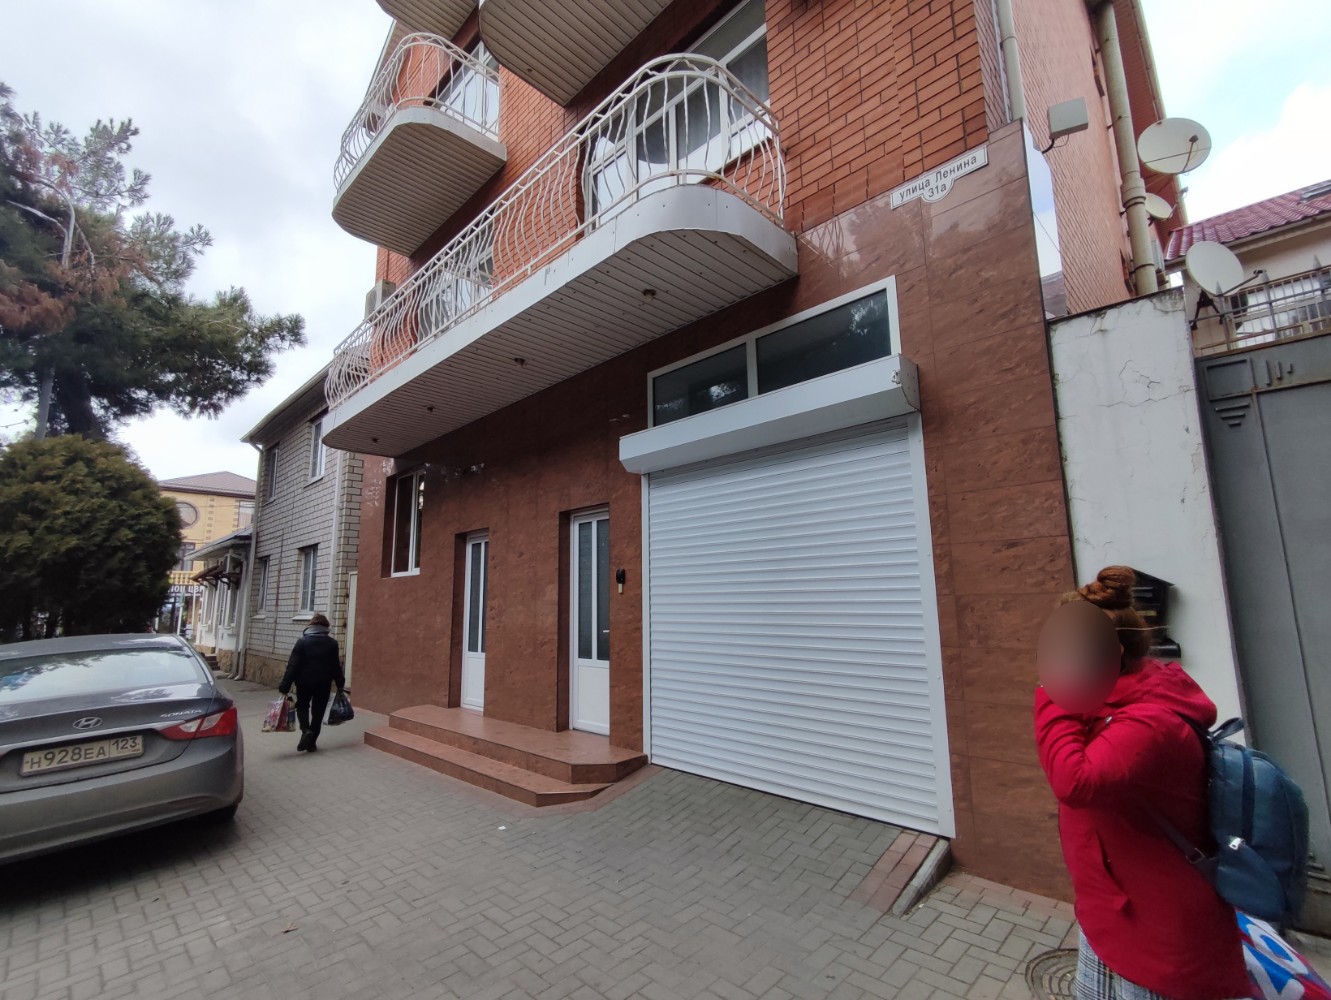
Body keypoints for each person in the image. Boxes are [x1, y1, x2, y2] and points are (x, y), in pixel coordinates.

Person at [1033, 566, 1250, 1000]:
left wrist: (1054, 694)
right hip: (1109, 912)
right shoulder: (1112, 702)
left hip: (1156, 934)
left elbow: (1074, 781)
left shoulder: (1150, 721)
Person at [278, 613, 345, 753]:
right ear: (326, 626)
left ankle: (305, 730)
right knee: (318, 712)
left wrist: (285, 685)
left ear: (311, 625)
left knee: (302, 706)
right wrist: (340, 682)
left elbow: (293, 665)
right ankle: (312, 743)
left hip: (304, 682)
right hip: (323, 683)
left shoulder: (302, 642)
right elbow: (335, 666)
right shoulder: (332, 643)